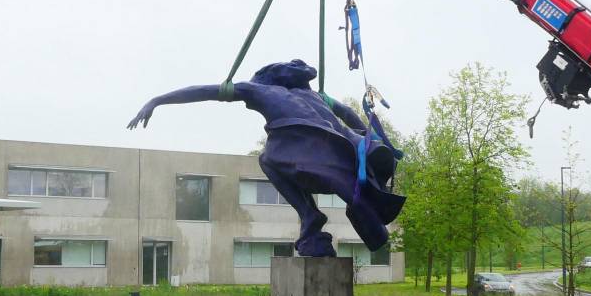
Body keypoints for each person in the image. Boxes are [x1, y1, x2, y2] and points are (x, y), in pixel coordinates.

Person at [127, 59, 405, 257]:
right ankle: (329, 204)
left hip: (311, 152)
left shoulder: (263, 90)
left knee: (268, 157)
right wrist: (365, 136)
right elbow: (346, 111)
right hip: (343, 150)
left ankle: (310, 215)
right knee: (286, 157)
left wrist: (156, 100)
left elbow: (206, 91)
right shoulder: (316, 97)